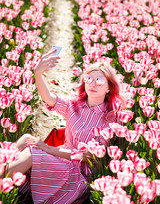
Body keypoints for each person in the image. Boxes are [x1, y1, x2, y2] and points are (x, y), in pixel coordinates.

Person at [2, 49, 124, 204]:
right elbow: (48, 98)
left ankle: (2, 180)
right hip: (62, 159)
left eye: (99, 80)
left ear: (109, 88)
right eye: (89, 78)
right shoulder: (75, 105)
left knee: (34, 152)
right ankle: (2, 168)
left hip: (77, 173)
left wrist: (48, 149)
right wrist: (38, 73)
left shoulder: (110, 118)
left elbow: (88, 156)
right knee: (27, 138)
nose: (93, 84)